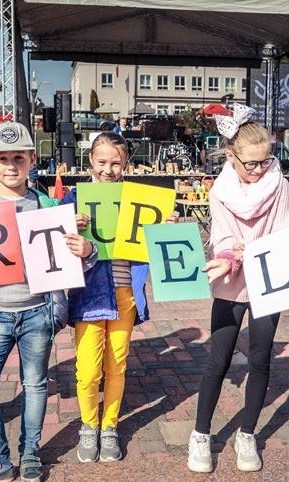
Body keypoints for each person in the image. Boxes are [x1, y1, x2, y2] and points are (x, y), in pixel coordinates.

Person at [0, 121, 98, 482]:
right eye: (2, 158)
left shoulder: (50, 205)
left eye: (18, 158)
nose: (11, 165)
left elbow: (77, 263)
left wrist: (85, 248)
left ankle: (30, 454)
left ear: (31, 160)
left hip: (37, 313)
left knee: (36, 385)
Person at [186, 104, 289, 474]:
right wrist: (232, 258)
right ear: (231, 156)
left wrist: (259, 252)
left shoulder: (279, 184)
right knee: (219, 358)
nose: (259, 169)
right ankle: (201, 434)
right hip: (230, 278)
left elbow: (283, 231)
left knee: (261, 359)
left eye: (265, 161)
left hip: (270, 277)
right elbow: (224, 236)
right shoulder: (220, 191)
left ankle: (247, 433)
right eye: (251, 163)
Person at [61, 132, 178, 463]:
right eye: (102, 162)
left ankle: (109, 427)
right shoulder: (74, 199)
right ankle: (88, 426)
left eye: (116, 162)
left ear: (126, 163)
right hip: (89, 296)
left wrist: (166, 227)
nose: (109, 169)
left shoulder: (137, 200)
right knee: (87, 369)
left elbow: (155, 245)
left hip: (125, 293)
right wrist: (67, 225)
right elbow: (51, 242)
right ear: (90, 162)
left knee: (117, 364)